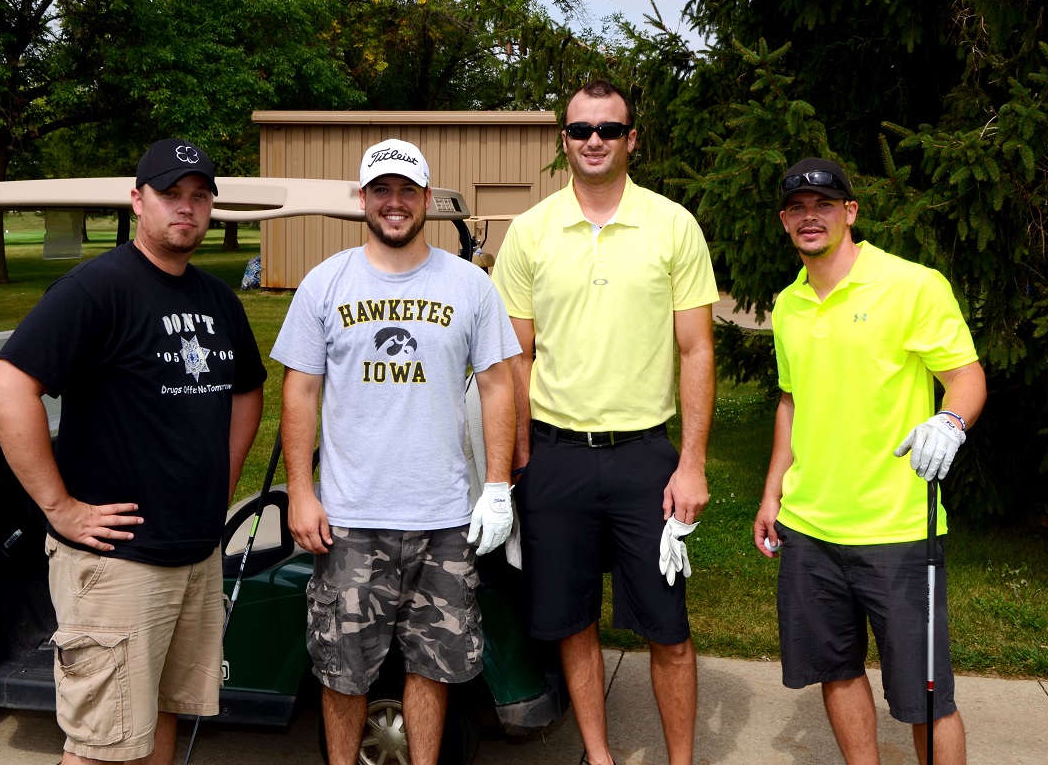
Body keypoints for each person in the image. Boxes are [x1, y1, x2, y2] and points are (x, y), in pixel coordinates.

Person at [0, 138, 267, 765]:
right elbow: (6, 390)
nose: (185, 210)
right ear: (138, 201)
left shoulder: (217, 298)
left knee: (159, 714)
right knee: (102, 742)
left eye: (199, 197)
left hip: (193, 553)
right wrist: (60, 508)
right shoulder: (96, 289)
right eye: (170, 195)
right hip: (117, 563)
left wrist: (223, 480)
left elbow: (248, 390)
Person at [271, 139, 519, 765]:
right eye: (381, 190)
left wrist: (496, 485)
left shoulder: (469, 285)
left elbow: (496, 384)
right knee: (342, 669)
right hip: (352, 519)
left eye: (408, 191)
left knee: (434, 665)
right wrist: (301, 490)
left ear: (426, 200)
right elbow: (299, 388)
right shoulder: (324, 283)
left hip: (443, 518)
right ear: (363, 199)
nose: (395, 202)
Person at [491, 80, 718, 765]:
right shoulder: (529, 232)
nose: (594, 140)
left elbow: (696, 348)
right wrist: (515, 466)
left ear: (632, 139)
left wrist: (693, 461)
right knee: (571, 621)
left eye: (609, 130)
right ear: (564, 140)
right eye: (581, 129)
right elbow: (515, 358)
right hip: (556, 458)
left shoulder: (672, 225)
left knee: (669, 629)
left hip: (647, 458)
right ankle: (600, 755)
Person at [753, 157, 987, 765]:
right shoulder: (788, 305)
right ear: (784, 221)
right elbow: (791, 401)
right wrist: (772, 493)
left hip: (899, 530)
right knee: (836, 670)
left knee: (926, 698)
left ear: (850, 212)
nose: (811, 218)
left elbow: (965, 375)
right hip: (810, 530)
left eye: (825, 205)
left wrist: (951, 419)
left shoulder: (913, 284)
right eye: (798, 209)